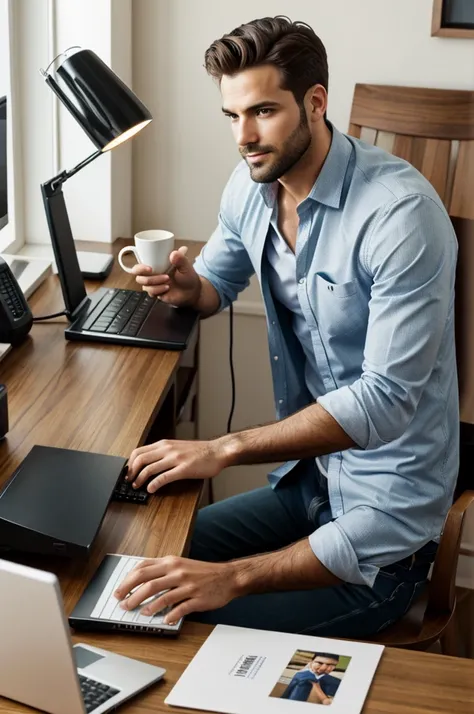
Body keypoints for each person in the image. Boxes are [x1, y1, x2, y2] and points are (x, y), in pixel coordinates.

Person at [113, 16, 458, 638]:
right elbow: (218, 283)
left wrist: (224, 451)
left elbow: (383, 401)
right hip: (309, 487)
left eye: (264, 111)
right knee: (126, 568)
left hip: (382, 533)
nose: (244, 137)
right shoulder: (253, 186)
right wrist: (190, 288)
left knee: (179, 625)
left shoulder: (401, 215)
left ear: (315, 102)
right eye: (233, 116)